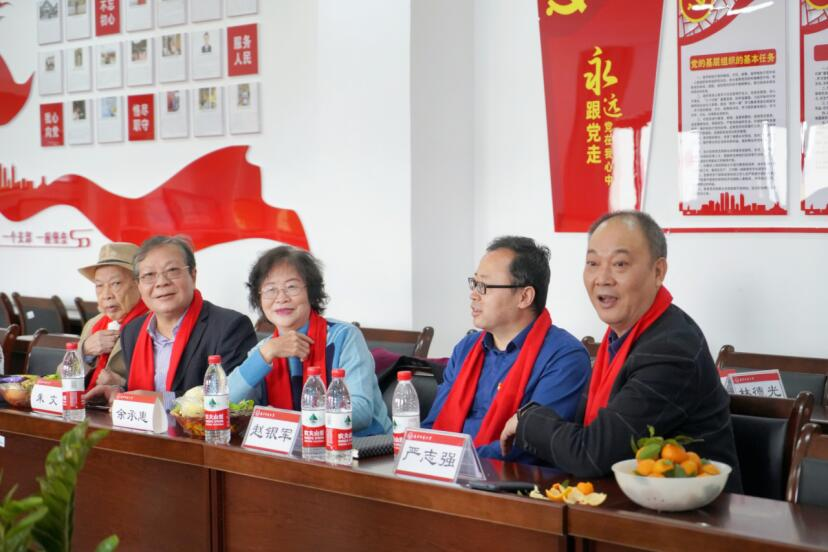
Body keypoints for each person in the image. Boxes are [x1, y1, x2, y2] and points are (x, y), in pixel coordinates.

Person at [500, 211, 743, 492]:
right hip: (634, 501)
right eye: (592, 263)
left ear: (658, 272)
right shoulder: (619, 338)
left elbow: (591, 454)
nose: (602, 278)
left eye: (620, 264)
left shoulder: (671, 349)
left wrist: (526, 420)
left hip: (696, 510)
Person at [422, 236, 591, 463]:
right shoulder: (465, 348)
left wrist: (450, 458)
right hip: (444, 470)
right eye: (474, 283)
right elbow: (433, 424)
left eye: (484, 286)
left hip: (512, 479)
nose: (473, 294)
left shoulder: (564, 357)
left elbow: (527, 445)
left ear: (524, 297)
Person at [228, 246, 391, 436]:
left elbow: (360, 413)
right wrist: (265, 355)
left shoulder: (344, 337)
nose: (281, 298)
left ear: (311, 292)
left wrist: (291, 422)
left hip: (365, 447)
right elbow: (223, 405)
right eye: (270, 289)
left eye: (291, 287)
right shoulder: (264, 351)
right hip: (292, 449)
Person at [85, 235, 257, 404]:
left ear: (193, 275)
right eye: (149, 275)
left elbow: (233, 399)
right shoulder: (132, 331)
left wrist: (162, 400)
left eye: (172, 271)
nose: (161, 282)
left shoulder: (230, 327)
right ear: (139, 286)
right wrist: (120, 392)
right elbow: (142, 389)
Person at [76, 242, 147, 391]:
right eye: (99, 285)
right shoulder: (93, 324)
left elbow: (164, 388)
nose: (106, 295)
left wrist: (122, 384)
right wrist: (84, 351)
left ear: (139, 283)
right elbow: (61, 376)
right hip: (86, 402)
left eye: (115, 284)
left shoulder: (154, 323)